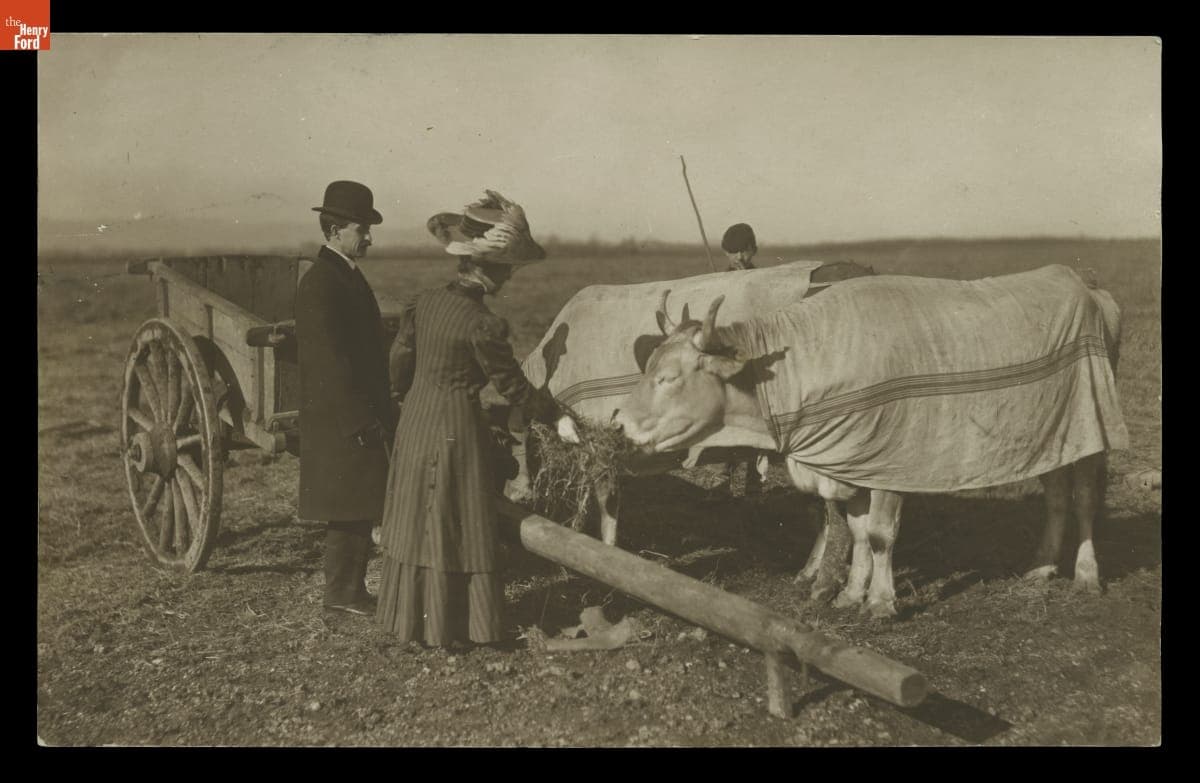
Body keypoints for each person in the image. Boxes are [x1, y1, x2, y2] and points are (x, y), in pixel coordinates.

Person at [376, 189, 579, 649]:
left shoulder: (423, 303)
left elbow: (400, 360)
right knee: (458, 517)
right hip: (454, 428)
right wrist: (556, 417)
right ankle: (457, 627)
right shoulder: (481, 323)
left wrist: (402, 398)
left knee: (417, 518)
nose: (508, 277)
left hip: (416, 421)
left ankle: (412, 621)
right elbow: (512, 387)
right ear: (489, 268)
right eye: (506, 269)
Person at [296, 180, 395, 616]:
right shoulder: (321, 283)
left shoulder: (345, 276)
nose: (369, 237)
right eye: (362, 228)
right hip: (340, 417)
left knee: (358, 499)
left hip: (354, 412)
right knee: (348, 501)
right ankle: (341, 593)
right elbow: (327, 362)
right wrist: (356, 420)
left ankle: (349, 590)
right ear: (335, 230)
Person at [718, 222, 765, 497]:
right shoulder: (721, 279)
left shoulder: (761, 278)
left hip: (754, 354)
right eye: (731, 253)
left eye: (741, 253)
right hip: (730, 354)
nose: (736, 259)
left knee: (754, 416)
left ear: (752, 250)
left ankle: (755, 480)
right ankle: (724, 471)